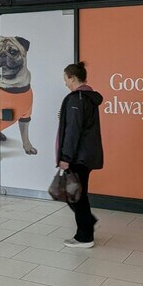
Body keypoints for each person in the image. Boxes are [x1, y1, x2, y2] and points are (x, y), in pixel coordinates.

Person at [57, 62, 104, 248]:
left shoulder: (77, 99)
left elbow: (73, 131)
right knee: (77, 194)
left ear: (72, 78)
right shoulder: (88, 98)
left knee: (75, 195)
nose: (65, 83)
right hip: (87, 154)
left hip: (78, 156)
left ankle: (85, 236)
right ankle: (87, 226)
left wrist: (65, 158)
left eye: (66, 79)